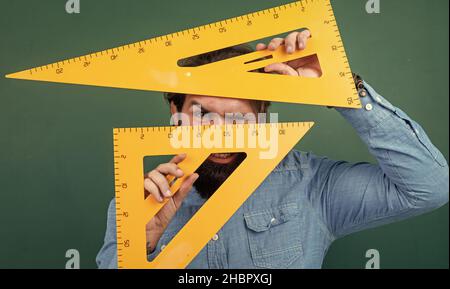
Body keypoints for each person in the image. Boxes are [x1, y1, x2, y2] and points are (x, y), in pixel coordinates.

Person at [96, 30, 449, 269]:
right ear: (175, 113)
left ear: (263, 114)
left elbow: (429, 188)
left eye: (239, 116)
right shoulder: (136, 203)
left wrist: (340, 89)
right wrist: (140, 248)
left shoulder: (312, 185)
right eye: (202, 114)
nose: (221, 133)